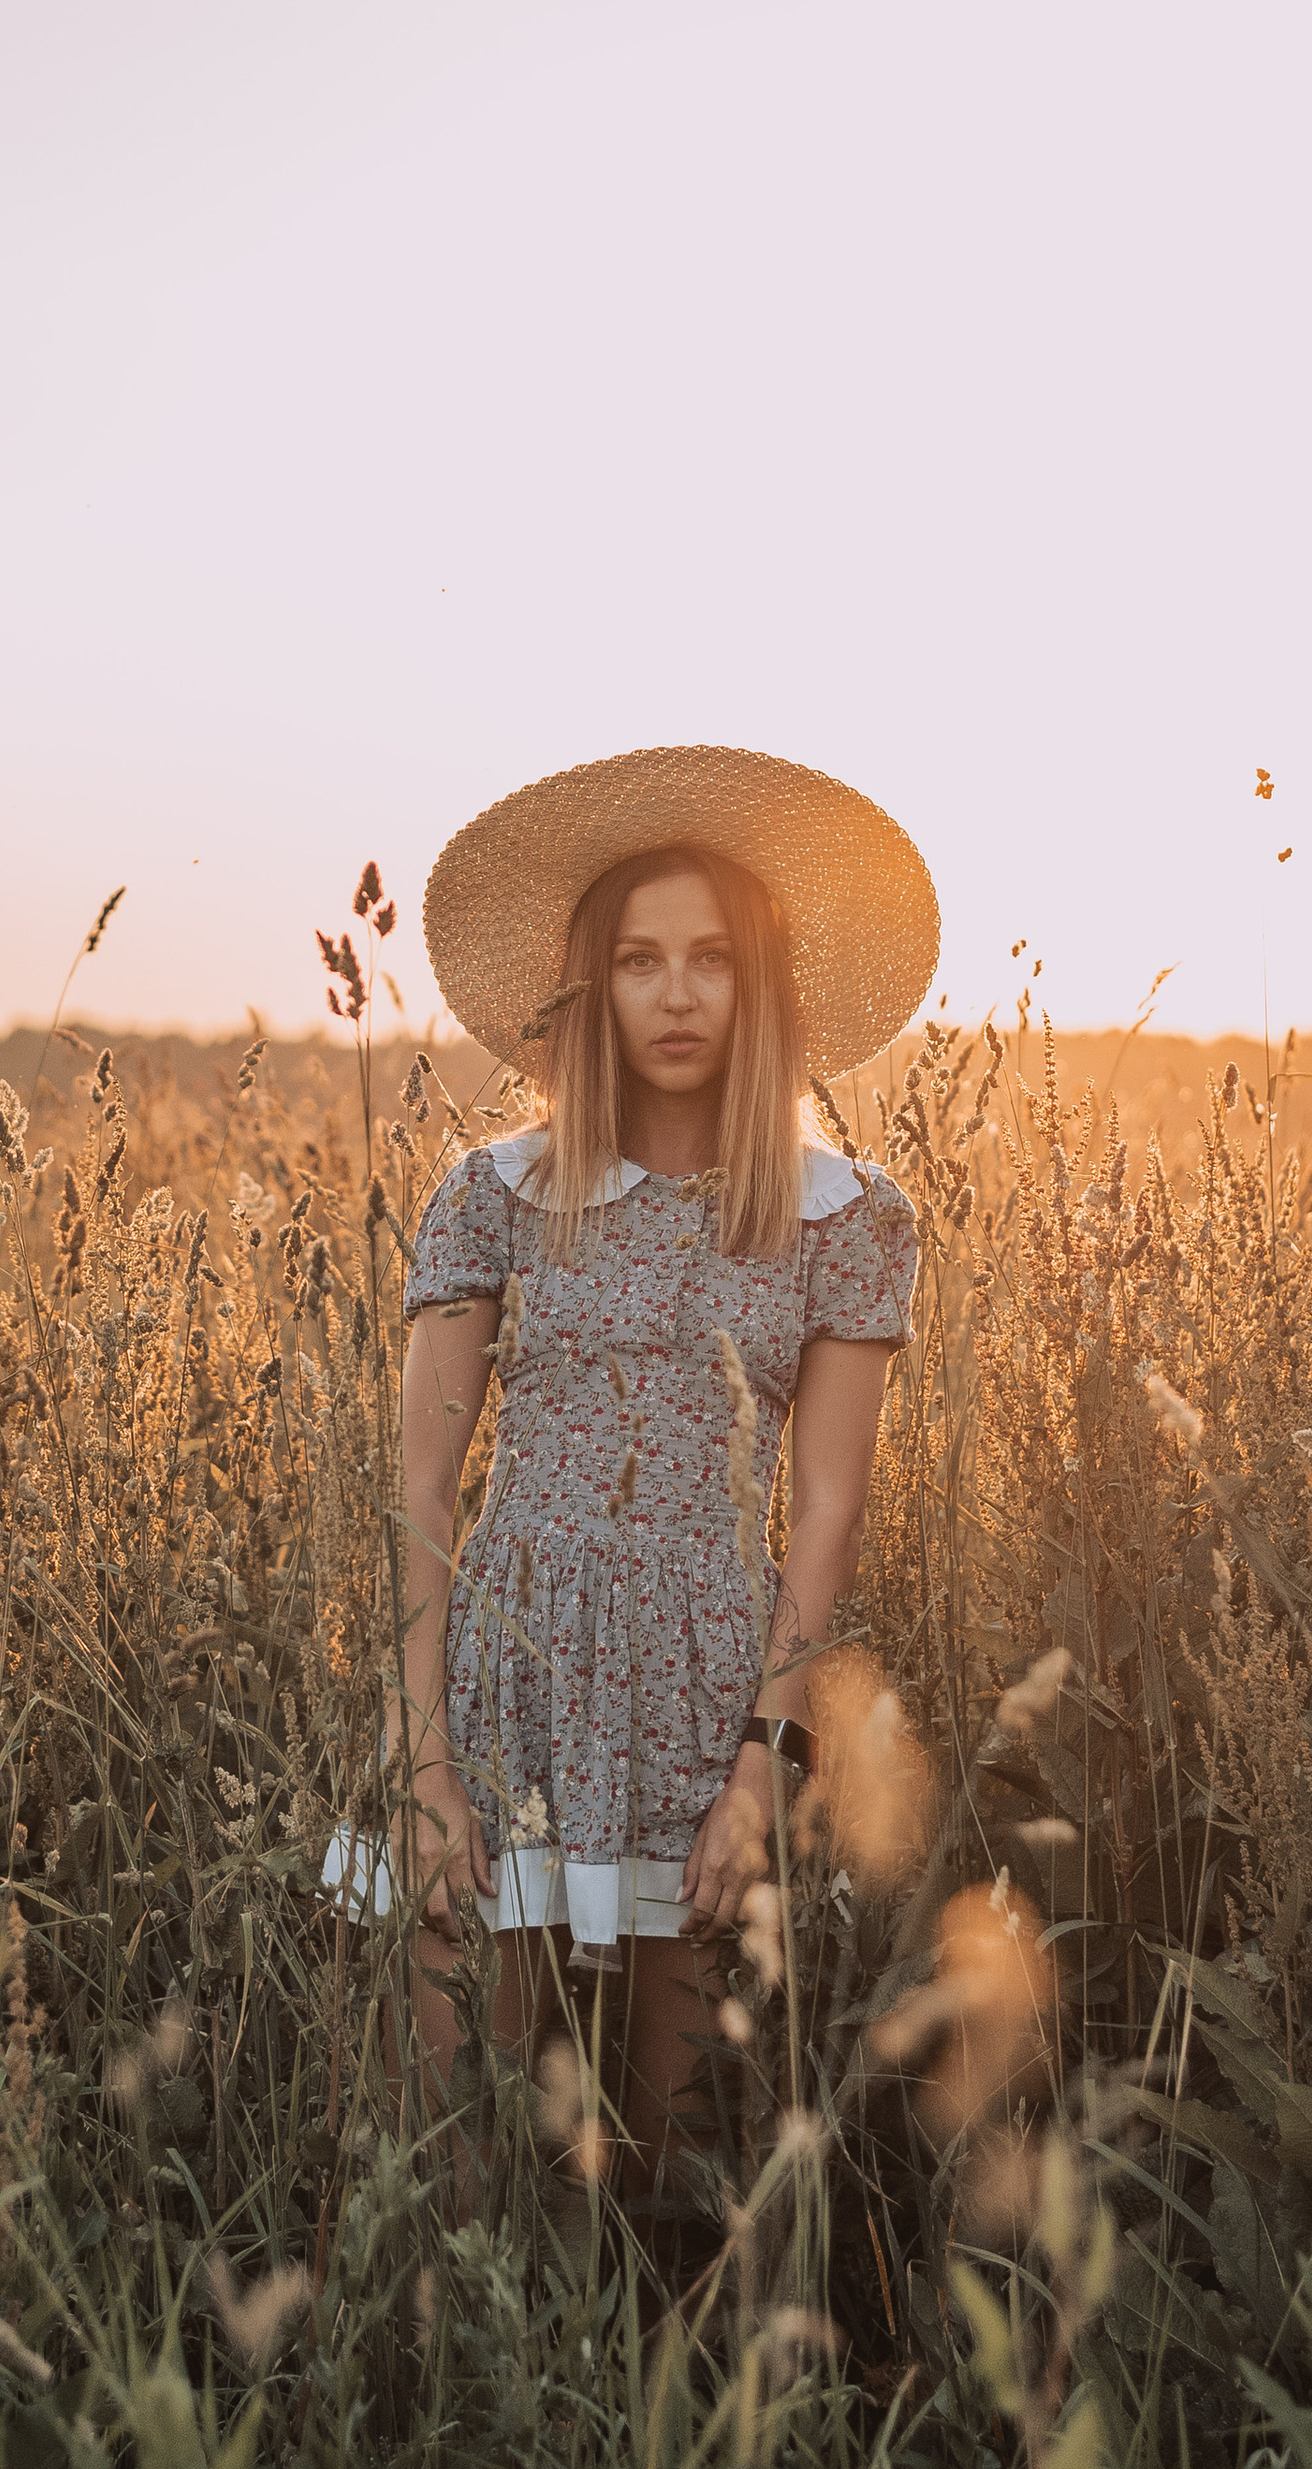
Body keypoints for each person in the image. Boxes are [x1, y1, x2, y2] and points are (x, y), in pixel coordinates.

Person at [386, 742, 936, 2216]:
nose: (678, 993)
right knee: (466, 2158)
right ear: (592, 986)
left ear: (761, 989)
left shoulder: (843, 1217)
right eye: (639, 958)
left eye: (710, 959)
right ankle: (462, 2435)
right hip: (504, 1684)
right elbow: (419, 1492)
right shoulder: (493, 1192)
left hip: (707, 1704)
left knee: (680, 2174)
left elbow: (824, 1515)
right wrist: (422, 1759)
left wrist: (764, 1764)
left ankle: (660, 2426)